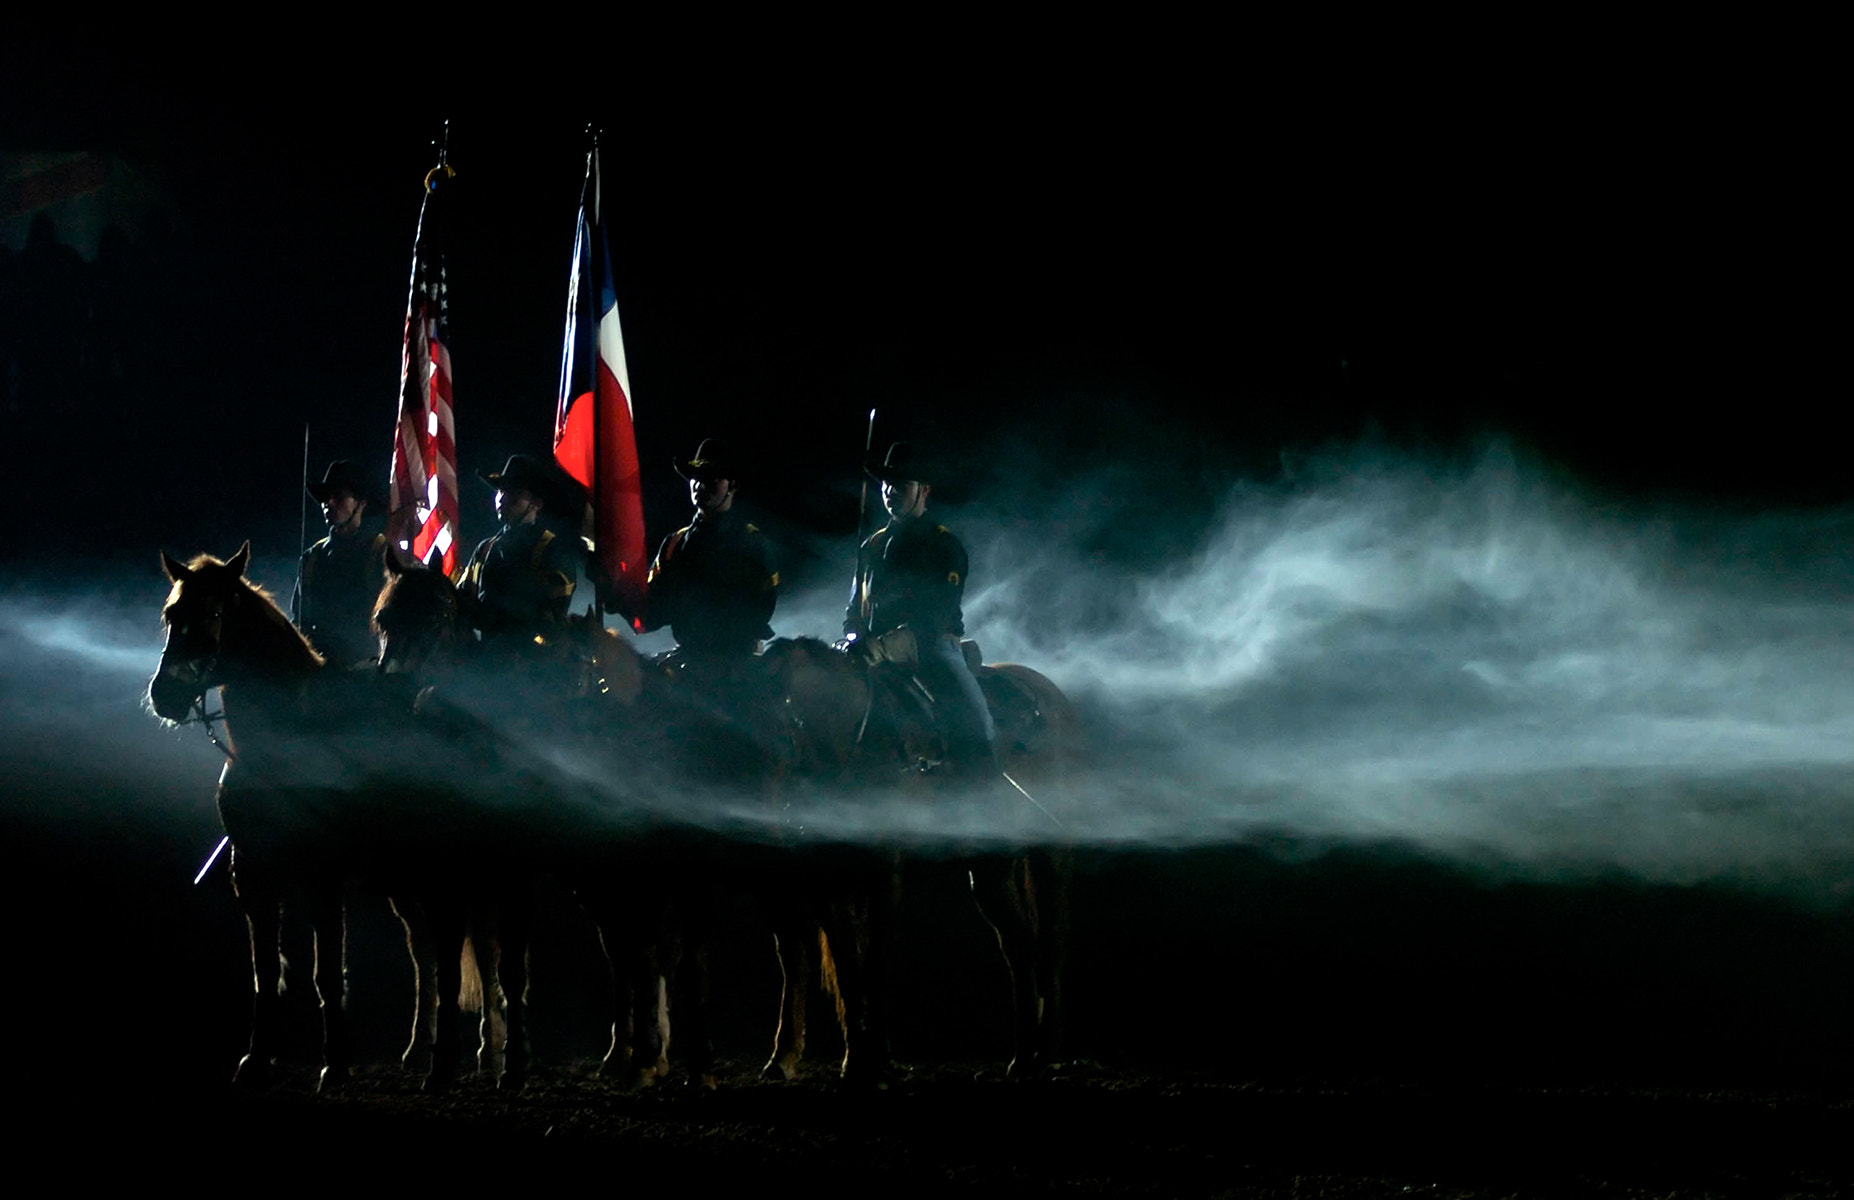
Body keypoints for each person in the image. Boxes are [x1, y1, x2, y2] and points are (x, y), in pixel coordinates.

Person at [845, 441, 995, 774]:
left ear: (923, 491)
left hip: (930, 648)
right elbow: (855, 606)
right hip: (872, 651)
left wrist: (884, 647)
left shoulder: (943, 545)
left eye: (901, 485)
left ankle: (982, 777)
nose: (889, 491)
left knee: (971, 717)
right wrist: (854, 636)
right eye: (886, 484)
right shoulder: (872, 546)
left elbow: (935, 617)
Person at [642, 439, 779, 665]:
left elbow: (762, 607)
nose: (699, 485)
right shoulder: (674, 543)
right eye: (695, 477)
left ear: (733, 486)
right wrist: (618, 590)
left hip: (738, 664)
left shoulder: (752, 544)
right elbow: (652, 608)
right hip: (689, 660)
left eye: (711, 478)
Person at [459, 454, 584, 648]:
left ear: (536, 504)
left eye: (513, 492)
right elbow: (463, 598)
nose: (502, 498)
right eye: (500, 490)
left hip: (533, 662)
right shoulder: (485, 548)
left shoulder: (552, 549)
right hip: (486, 656)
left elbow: (553, 616)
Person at [293, 459, 388, 668]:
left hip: (367, 671)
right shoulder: (312, 557)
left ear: (361, 504)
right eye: (326, 498)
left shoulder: (381, 553)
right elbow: (300, 619)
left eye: (339, 496)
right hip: (319, 670)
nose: (329, 503)